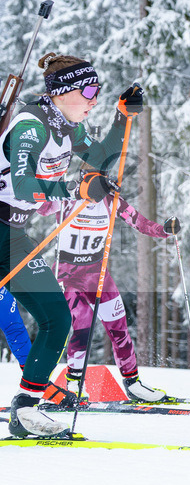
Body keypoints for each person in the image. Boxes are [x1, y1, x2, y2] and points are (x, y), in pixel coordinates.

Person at [2, 52, 142, 437]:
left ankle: (26, 411)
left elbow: (99, 157)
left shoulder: (67, 127)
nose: (94, 98)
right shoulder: (31, 126)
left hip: (11, 235)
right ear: (63, 93)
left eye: (98, 91)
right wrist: (72, 187)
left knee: (56, 318)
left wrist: (122, 117)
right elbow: (24, 183)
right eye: (89, 90)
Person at [37, 180, 181, 405]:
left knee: (118, 328)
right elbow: (41, 207)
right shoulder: (67, 198)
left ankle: (133, 384)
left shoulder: (111, 201)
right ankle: (74, 383)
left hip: (98, 275)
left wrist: (164, 231)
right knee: (82, 326)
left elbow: (140, 222)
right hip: (68, 275)